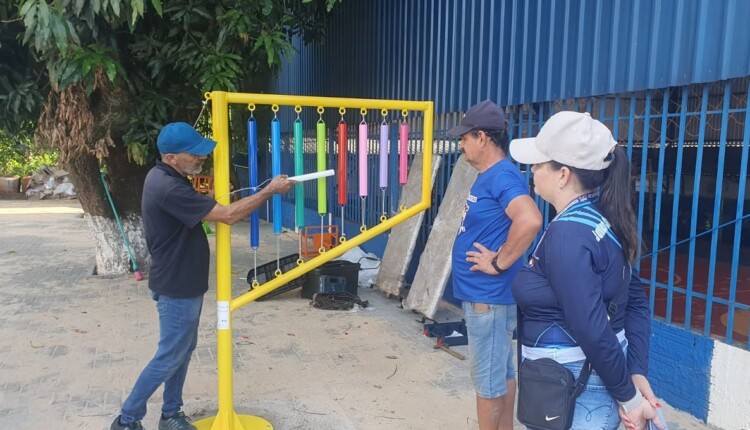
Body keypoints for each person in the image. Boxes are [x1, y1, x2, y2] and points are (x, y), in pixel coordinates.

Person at [111, 122, 294, 430]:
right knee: (170, 356)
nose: (201, 158)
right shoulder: (168, 186)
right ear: (171, 157)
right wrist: (269, 191)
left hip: (184, 283)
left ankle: (171, 414)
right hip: (176, 286)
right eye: (193, 154)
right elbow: (228, 215)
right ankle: (127, 420)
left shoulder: (168, 176)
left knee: (181, 353)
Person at [509, 111, 662, 430]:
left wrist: (631, 399)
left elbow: (591, 328)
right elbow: (635, 301)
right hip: (578, 388)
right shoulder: (600, 220)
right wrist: (635, 370)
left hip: (575, 392)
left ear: (562, 174)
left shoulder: (569, 235)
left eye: (538, 163)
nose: (532, 170)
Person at [447, 100, 542, 430]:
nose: (460, 144)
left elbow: (529, 219)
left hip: (488, 298)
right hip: (489, 300)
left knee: (488, 383)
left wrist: (499, 263)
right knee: (502, 374)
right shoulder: (490, 175)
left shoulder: (502, 176)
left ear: (482, 137)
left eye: (464, 138)